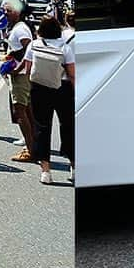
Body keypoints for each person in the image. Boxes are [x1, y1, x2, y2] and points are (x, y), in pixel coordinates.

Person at [24, 15, 76, 184]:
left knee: (42, 126)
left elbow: (27, 69)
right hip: (63, 87)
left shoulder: (34, 44)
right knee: (68, 125)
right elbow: (72, 73)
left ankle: (46, 171)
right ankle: (74, 166)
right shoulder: (65, 47)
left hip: (39, 88)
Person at [5, 3, 36, 162]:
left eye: (9, 11)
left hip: (21, 75)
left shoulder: (21, 29)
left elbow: (28, 48)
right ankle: (33, 146)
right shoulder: (17, 27)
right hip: (20, 73)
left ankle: (31, 151)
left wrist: (18, 67)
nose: (5, 13)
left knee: (20, 111)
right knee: (27, 110)